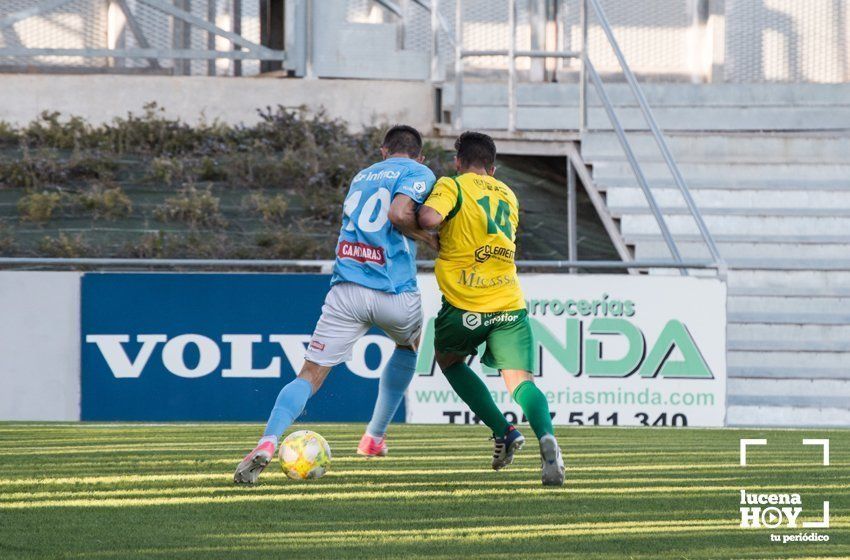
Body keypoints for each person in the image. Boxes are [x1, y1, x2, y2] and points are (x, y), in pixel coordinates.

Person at [235, 125, 437, 483]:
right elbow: (399, 213)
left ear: (382, 151)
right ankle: (374, 437)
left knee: (309, 375)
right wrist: (429, 238)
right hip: (396, 292)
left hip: (346, 290)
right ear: (419, 155)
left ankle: (268, 440)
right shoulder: (418, 172)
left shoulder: (362, 175)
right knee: (409, 348)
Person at [417, 131, 565, 486]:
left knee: (449, 362)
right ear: (493, 168)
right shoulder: (508, 194)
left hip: (465, 304)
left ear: (458, 162)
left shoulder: (452, 186)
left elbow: (428, 219)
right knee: (521, 383)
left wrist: (427, 225)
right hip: (509, 305)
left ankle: (504, 430)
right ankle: (547, 437)